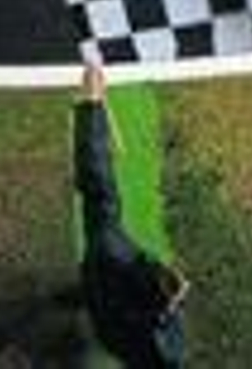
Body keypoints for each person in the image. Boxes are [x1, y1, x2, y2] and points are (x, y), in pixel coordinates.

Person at [73, 64, 188, 366]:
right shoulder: (161, 349)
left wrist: (94, 105)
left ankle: (91, 99)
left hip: (107, 275)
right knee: (100, 206)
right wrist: (170, 295)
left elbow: (97, 179)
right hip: (111, 289)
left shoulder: (113, 255)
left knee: (100, 195)